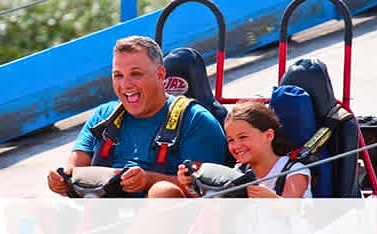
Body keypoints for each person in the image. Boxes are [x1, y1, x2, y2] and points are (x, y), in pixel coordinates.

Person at [47, 35, 226, 198]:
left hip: (166, 218)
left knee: (163, 192)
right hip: (101, 213)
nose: (126, 84)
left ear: (160, 74)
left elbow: (204, 191)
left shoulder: (196, 120)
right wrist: (59, 179)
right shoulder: (103, 117)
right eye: (118, 75)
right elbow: (73, 168)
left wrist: (148, 180)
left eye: (135, 74)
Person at [178, 101, 312, 198]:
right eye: (231, 140)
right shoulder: (239, 172)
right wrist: (192, 186)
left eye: (243, 137)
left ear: (268, 135)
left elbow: (292, 210)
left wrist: (271, 200)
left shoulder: (294, 171)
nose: (236, 146)